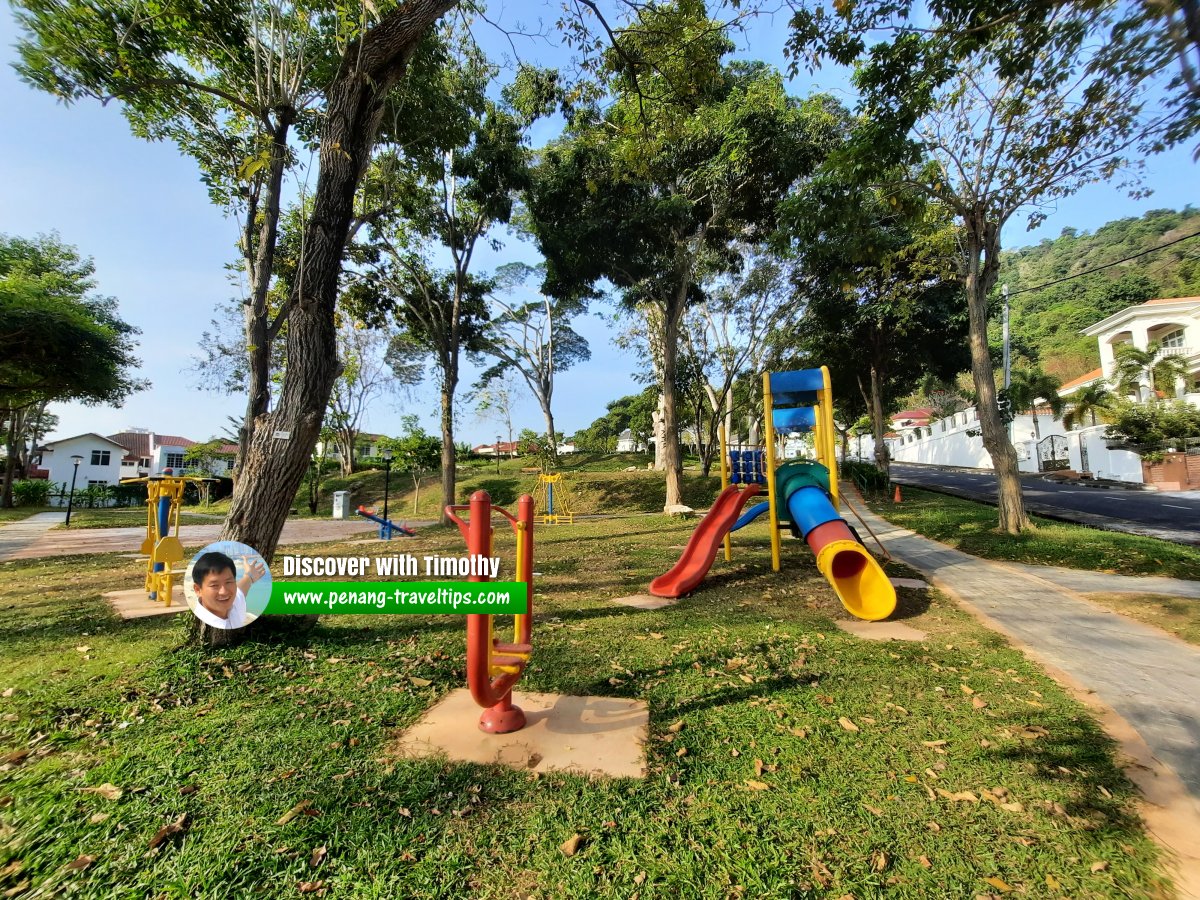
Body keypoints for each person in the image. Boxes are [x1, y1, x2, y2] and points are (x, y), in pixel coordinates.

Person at [191, 551, 265, 630]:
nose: (224, 592)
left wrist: (249, 576)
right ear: (198, 590)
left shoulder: (234, 603)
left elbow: (241, 590)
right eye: (214, 585)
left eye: (228, 582)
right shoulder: (201, 624)